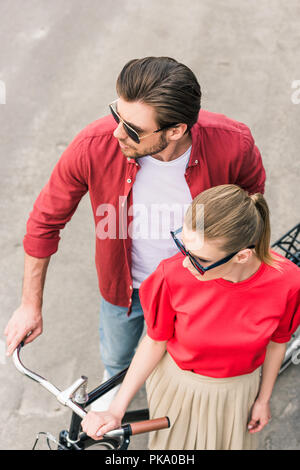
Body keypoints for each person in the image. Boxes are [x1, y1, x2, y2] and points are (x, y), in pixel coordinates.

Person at [4, 57, 266, 411]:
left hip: (201, 289)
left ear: (175, 130)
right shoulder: (94, 144)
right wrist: (29, 305)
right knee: (117, 356)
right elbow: (44, 223)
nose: (117, 133)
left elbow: (252, 206)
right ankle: (115, 382)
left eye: (132, 128)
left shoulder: (233, 143)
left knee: (190, 363)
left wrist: (241, 276)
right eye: (117, 115)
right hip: (125, 288)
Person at [81, 185, 300, 450]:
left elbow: (278, 342)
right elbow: (154, 342)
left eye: (199, 258)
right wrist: (115, 410)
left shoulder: (289, 282)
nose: (185, 263)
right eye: (182, 245)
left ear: (242, 256)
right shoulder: (171, 275)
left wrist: (263, 400)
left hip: (238, 391)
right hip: (179, 388)